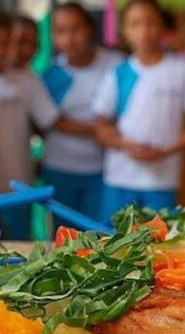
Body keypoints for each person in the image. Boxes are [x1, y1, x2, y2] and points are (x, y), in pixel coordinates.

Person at [92, 0, 185, 221]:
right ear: (125, 31)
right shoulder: (118, 73)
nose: (144, 31)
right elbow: (101, 127)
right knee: (112, 243)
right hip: (120, 179)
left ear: (163, 27)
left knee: (161, 246)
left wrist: (166, 150)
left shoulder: (182, 70)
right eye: (135, 24)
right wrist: (127, 145)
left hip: (162, 180)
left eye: (150, 22)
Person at [0, 7, 59, 239]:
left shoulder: (27, 81)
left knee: (17, 249)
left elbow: (49, 122)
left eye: (5, 44)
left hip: (17, 188)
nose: (0, 52)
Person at [42, 2, 122, 222]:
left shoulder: (115, 65)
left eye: (76, 29)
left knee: (99, 236)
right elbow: (51, 121)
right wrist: (98, 128)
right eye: (61, 31)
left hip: (103, 170)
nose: (69, 38)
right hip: (61, 169)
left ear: (90, 29)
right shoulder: (52, 75)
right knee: (63, 237)